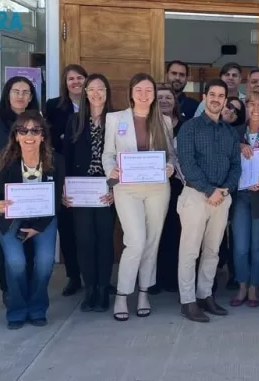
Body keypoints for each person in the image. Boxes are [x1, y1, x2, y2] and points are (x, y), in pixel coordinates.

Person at [103, 73, 176, 322]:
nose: (144, 95)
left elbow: (171, 156)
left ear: (154, 94)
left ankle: (144, 292)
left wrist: (170, 167)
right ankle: (123, 294)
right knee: (135, 241)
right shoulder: (115, 119)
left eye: (148, 90)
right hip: (127, 188)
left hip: (157, 188)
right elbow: (108, 154)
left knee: (152, 242)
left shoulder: (164, 121)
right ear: (131, 92)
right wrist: (110, 170)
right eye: (139, 90)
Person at [0, 110, 64, 329]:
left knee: (44, 262)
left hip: (43, 219)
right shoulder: (5, 162)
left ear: (43, 136)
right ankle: (17, 310)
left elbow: (56, 199)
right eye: (23, 130)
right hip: (11, 220)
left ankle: (37, 308)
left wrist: (37, 227)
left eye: (35, 130)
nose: (29, 135)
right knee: (16, 263)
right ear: (16, 136)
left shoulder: (56, 162)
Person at [176, 79, 241, 323]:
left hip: (221, 199)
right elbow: (187, 162)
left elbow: (236, 165)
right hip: (195, 196)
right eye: (212, 94)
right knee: (190, 251)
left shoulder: (229, 132)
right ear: (205, 97)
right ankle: (188, 301)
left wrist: (224, 190)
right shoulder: (189, 128)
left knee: (212, 251)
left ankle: (205, 295)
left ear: (225, 100)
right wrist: (208, 190)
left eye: (220, 96)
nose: (216, 99)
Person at [62, 74, 115, 313]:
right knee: (84, 241)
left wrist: (116, 187)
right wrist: (64, 187)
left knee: (104, 240)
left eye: (100, 88)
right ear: (85, 93)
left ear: (107, 92)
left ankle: (103, 289)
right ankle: (90, 288)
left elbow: (122, 155)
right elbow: (66, 156)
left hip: (107, 188)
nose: (96, 93)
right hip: (81, 189)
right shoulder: (74, 120)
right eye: (91, 89)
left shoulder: (116, 120)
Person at [0, 76, 40, 307]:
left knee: (30, 239)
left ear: (31, 96)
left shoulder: (38, 119)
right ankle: (8, 290)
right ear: (7, 94)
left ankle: (27, 288)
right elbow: (8, 154)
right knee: (9, 241)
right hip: (9, 191)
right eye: (16, 91)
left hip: (35, 188)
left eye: (25, 92)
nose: (21, 96)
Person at [44, 64, 87, 297]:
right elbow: (49, 139)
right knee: (68, 228)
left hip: (90, 176)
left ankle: (93, 275)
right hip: (65, 174)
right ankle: (73, 276)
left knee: (91, 229)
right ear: (65, 82)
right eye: (71, 78)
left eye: (80, 77)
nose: (76, 82)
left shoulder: (96, 104)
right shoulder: (53, 106)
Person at [230, 86, 259, 308]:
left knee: (257, 245)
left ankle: (254, 286)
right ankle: (242, 284)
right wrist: (238, 146)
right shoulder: (235, 132)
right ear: (246, 106)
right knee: (240, 245)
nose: (255, 109)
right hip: (240, 196)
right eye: (251, 104)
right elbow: (225, 154)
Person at [150, 83, 185, 294]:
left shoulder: (185, 125)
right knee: (155, 231)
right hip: (154, 185)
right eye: (160, 97)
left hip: (180, 185)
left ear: (175, 101)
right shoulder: (148, 125)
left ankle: (171, 277)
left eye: (168, 97)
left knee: (174, 231)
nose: (164, 101)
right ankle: (152, 279)